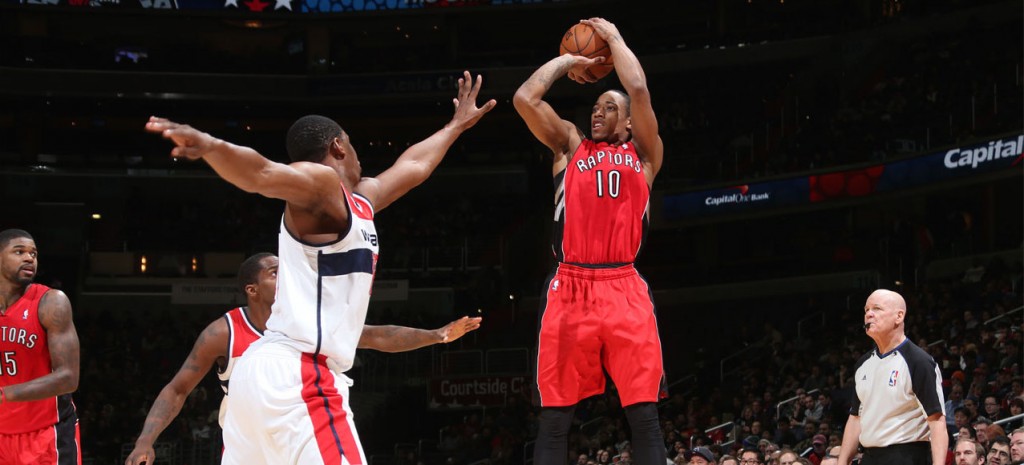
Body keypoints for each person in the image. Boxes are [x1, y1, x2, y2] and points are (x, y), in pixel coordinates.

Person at [145, 70, 494, 465]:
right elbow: (262, 173)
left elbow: (414, 165)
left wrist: (456, 126)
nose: (362, 156)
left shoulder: (361, 200)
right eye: (356, 146)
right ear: (339, 146)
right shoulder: (320, 184)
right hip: (300, 375)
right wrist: (212, 146)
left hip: (261, 378)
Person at [125, 253, 482, 465]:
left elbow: (374, 335)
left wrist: (436, 335)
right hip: (251, 444)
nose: (286, 275)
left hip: (302, 431)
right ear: (252, 289)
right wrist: (145, 441)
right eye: (274, 272)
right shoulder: (223, 332)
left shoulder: (309, 319)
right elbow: (176, 390)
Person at [512, 17, 665, 465]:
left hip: (624, 286)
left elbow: (637, 90)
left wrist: (614, 38)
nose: (597, 112)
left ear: (631, 123)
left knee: (644, 414)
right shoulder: (568, 146)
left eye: (608, 107)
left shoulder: (644, 155)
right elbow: (525, 98)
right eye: (595, 106)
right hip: (570, 286)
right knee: (556, 417)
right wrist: (567, 60)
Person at [837, 289, 948, 465]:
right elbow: (855, 418)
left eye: (877, 308)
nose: (869, 314)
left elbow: (937, 421)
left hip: (906, 456)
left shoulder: (918, 362)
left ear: (899, 316)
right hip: (870, 456)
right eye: (866, 310)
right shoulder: (863, 364)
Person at [0, 229, 81, 465]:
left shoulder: (51, 302)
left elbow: (68, 378)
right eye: (19, 252)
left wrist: (4, 395)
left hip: (47, 434)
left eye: (33, 253)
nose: (29, 258)